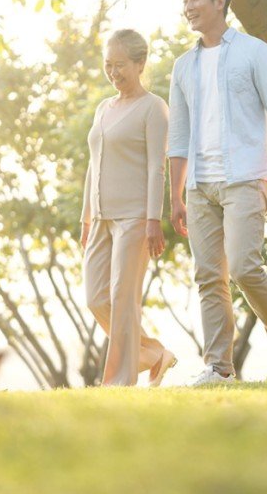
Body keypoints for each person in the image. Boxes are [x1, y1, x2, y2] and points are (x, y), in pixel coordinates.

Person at [168, 0, 267, 385]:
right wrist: (175, 196)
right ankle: (220, 367)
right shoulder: (182, 66)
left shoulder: (254, 52)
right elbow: (178, 135)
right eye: (185, 0)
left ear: (220, 2)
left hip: (245, 176)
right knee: (209, 277)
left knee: (245, 267)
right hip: (200, 185)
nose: (188, 6)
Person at [80, 29, 176, 387]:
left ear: (140, 63)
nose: (113, 72)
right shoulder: (103, 108)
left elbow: (156, 167)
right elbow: (93, 165)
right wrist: (86, 218)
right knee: (95, 298)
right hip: (100, 217)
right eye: (108, 64)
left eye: (120, 65)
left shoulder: (154, 108)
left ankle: (119, 382)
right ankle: (153, 354)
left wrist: (154, 219)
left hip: (135, 217)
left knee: (123, 299)